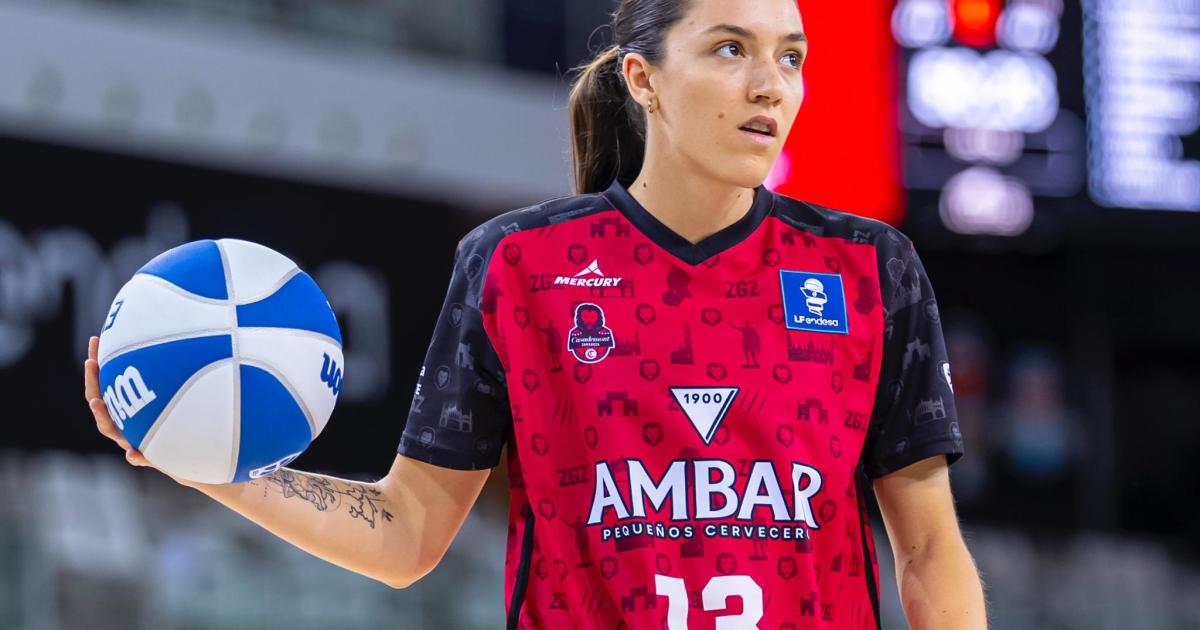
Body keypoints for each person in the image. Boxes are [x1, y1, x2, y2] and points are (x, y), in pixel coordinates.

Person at [83, 0, 988, 627]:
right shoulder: (517, 264)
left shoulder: (871, 270)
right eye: (729, 49)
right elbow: (407, 535)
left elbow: (928, 553)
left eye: (790, 56)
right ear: (642, 78)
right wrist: (214, 468)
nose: (771, 85)